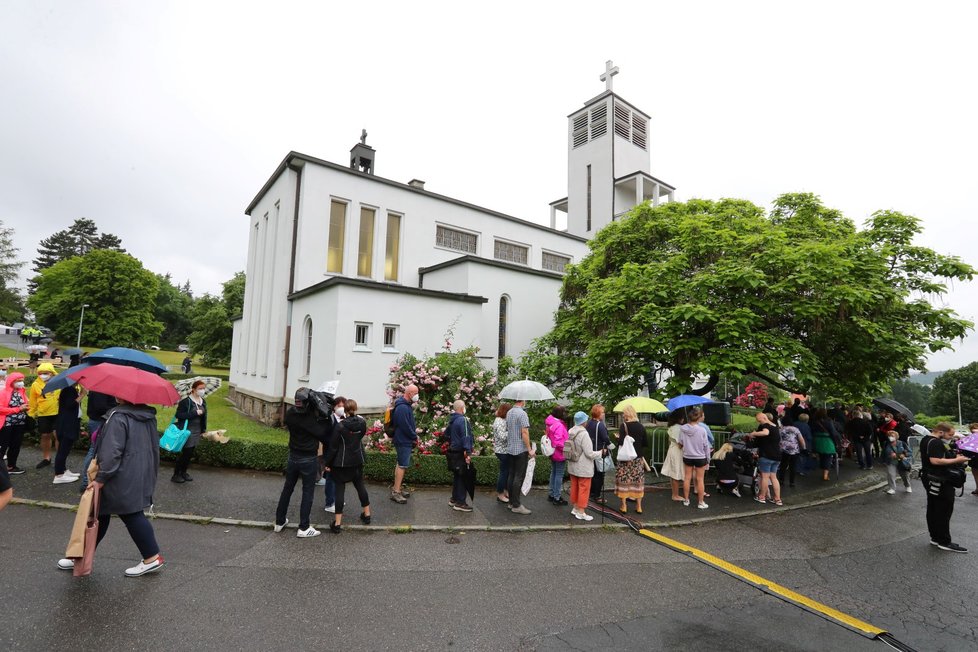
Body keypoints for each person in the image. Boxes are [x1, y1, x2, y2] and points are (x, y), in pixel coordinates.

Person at [58, 398, 165, 577]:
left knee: (129, 513)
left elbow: (111, 452)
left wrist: (101, 478)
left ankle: (151, 557)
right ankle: (81, 555)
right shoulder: (147, 415)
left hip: (119, 474)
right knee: (103, 513)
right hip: (140, 470)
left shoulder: (119, 416)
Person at [274, 388, 332, 538]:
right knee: (308, 492)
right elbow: (325, 435)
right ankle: (304, 527)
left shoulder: (290, 414)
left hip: (293, 457)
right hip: (308, 459)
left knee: (288, 489)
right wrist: (325, 411)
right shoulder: (311, 420)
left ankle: (279, 522)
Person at [920, 422, 970, 552]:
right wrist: (957, 460)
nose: (951, 437)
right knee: (943, 509)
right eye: (950, 434)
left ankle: (935, 537)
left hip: (929, 477)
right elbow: (935, 460)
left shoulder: (926, 439)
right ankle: (944, 541)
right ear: (941, 432)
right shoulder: (935, 442)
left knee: (933, 507)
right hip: (939, 479)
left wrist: (952, 456)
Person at [323, 398, 371, 532]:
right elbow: (361, 436)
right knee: (360, 486)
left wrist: (327, 463)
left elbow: (333, 447)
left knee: (339, 491)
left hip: (342, 462)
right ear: (355, 408)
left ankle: (337, 524)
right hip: (357, 460)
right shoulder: (362, 422)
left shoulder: (341, 426)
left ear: (345, 410)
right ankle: (367, 515)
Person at [566, 411, 604, 521]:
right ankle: (581, 512)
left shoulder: (571, 431)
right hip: (583, 466)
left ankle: (575, 508)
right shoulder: (584, 434)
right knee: (584, 488)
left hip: (572, 464)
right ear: (584, 422)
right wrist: (601, 453)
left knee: (575, 486)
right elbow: (589, 453)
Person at [80, 391, 117, 491]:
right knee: (94, 450)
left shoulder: (102, 386)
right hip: (98, 421)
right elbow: (100, 407)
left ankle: (89, 479)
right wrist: (116, 407)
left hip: (99, 420)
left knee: (96, 449)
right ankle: (85, 481)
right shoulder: (101, 389)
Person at [171, 380, 208, 483]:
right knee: (185, 454)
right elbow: (179, 415)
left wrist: (203, 430)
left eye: (203, 388)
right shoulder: (186, 402)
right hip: (187, 431)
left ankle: (184, 472)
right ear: (193, 390)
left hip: (197, 431)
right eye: (200, 388)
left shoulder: (202, 401)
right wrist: (194, 413)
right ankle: (176, 474)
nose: (202, 390)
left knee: (190, 453)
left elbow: (204, 417)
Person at [615, 405, 647, 514]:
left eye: (624, 413)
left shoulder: (623, 426)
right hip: (637, 459)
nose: (623, 415)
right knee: (637, 482)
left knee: (624, 481)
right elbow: (645, 443)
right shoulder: (641, 426)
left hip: (625, 459)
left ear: (627, 414)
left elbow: (621, 443)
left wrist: (617, 438)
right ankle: (639, 506)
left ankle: (624, 506)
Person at [505, 399, 534, 515]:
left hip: (511, 448)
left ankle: (511, 502)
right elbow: (525, 433)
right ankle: (516, 505)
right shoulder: (522, 413)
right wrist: (529, 449)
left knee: (511, 475)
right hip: (520, 450)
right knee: (518, 477)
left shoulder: (509, 412)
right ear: (523, 400)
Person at [28, 362, 60, 469]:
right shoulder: (35, 385)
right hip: (43, 414)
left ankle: (60, 459)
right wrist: (30, 415)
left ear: (51, 373)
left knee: (57, 435)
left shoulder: (59, 382)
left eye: (45, 373)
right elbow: (33, 402)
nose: (43, 375)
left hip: (58, 413)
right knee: (45, 435)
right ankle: (46, 458)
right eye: (40, 373)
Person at [390, 384, 419, 504]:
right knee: (402, 465)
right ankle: (396, 492)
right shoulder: (402, 407)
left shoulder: (405, 405)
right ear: (410, 393)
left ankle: (397, 488)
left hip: (403, 439)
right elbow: (404, 426)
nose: (418, 395)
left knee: (400, 464)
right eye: (416, 392)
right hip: (403, 440)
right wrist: (414, 436)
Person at [52, 383, 85, 484]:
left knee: (64, 449)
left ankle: (63, 470)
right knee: (63, 449)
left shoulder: (69, 389)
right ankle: (59, 474)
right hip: (67, 424)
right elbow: (70, 405)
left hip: (67, 423)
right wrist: (82, 395)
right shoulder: (69, 390)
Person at [445, 400, 474, 512]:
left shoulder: (452, 420)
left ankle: (454, 499)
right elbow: (466, 437)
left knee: (458, 476)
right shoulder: (463, 420)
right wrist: (468, 452)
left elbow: (446, 435)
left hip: (453, 451)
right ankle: (460, 503)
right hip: (461, 452)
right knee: (463, 477)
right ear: (462, 408)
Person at [680, 407, 711, 509]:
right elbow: (706, 445)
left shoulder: (683, 428)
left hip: (687, 456)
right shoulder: (702, 430)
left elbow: (681, 443)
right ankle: (701, 502)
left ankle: (686, 500)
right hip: (700, 457)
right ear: (699, 417)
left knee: (687, 478)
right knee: (700, 479)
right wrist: (708, 459)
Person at [749, 412, 782, 505]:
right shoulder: (775, 426)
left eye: (760, 420)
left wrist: (754, 433)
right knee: (774, 478)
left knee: (765, 477)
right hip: (777, 456)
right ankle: (777, 499)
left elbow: (765, 433)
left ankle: (762, 496)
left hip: (766, 456)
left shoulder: (766, 425)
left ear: (764, 417)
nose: (760, 423)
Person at [0, 372, 29, 475]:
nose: (21, 383)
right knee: (3, 446)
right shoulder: (3, 393)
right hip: (7, 424)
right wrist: (17, 409)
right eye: (18, 381)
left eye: (22, 380)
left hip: (19, 423)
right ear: (12, 382)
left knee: (15, 445)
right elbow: (1, 409)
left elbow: (26, 403)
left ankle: (11, 466)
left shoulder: (22, 392)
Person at [321, 395, 345, 514]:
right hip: (330, 453)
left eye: (343, 406)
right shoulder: (330, 419)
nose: (341, 408)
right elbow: (325, 437)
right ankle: (329, 503)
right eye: (339, 406)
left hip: (340, 454)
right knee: (330, 478)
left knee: (338, 477)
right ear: (334, 407)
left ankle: (337, 499)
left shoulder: (344, 418)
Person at [585, 404, 611, 504]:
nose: (604, 414)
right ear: (598, 413)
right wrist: (610, 445)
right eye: (603, 412)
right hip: (600, 452)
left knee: (593, 473)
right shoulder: (600, 425)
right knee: (600, 475)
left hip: (591, 451)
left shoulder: (589, 423)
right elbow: (605, 438)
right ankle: (597, 496)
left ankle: (591, 493)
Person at [544, 405, 569, 505]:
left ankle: (552, 494)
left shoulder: (551, 423)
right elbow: (558, 442)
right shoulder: (558, 425)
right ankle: (557, 497)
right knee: (559, 474)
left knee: (553, 473)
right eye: (564, 412)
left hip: (553, 452)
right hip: (560, 453)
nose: (565, 414)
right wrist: (567, 449)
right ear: (560, 414)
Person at [662, 410, 686, 502]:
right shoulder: (679, 428)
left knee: (673, 473)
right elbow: (680, 444)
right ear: (679, 418)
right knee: (676, 473)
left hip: (672, 450)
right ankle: (675, 495)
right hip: (677, 451)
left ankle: (675, 493)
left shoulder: (671, 427)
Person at [777, 416, 806, 489]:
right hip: (794, 449)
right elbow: (801, 439)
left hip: (784, 449)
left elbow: (778, 439)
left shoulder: (781, 429)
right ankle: (792, 482)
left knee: (783, 465)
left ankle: (781, 480)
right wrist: (804, 448)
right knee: (793, 466)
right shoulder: (796, 429)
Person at [492, 403, 512, 503]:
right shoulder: (499, 421)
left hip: (505, 450)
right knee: (504, 472)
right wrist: (512, 431)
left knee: (507, 472)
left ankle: (505, 491)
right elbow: (502, 437)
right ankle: (500, 494)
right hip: (502, 451)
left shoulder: (503, 420)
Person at [882, 430, 912, 495]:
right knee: (891, 475)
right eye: (889, 436)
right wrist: (888, 456)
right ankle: (892, 488)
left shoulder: (902, 443)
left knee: (904, 475)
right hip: (891, 462)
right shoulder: (886, 444)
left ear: (896, 437)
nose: (890, 437)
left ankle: (908, 486)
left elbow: (910, 452)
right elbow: (884, 453)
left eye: (892, 436)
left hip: (902, 462)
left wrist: (904, 455)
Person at [812, 410, 838, 481]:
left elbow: (812, 431)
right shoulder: (828, 421)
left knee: (821, 456)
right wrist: (836, 443)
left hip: (817, 441)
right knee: (828, 457)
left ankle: (823, 471)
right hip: (827, 441)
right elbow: (833, 433)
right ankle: (825, 475)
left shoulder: (814, 422)